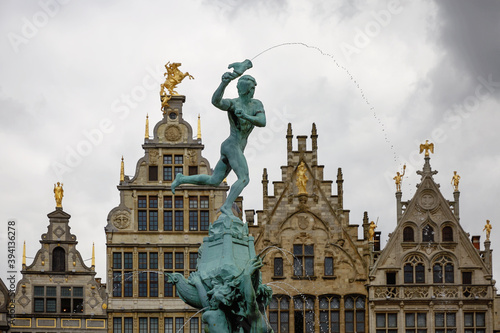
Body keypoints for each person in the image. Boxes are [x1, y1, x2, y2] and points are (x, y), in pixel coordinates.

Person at [172, 60, 266, 216]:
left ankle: (181, 179)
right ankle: (226, 207)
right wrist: (223, 84)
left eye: (253, 89)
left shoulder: (256, 105)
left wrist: (247, 116)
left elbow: (262, 122)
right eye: (251, 89)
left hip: (235, 147)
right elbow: (215, 101)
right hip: (231, 146)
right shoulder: (233, 104)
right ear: (244, 90)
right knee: (244, 178)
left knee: (214, 181)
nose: (252, 91)